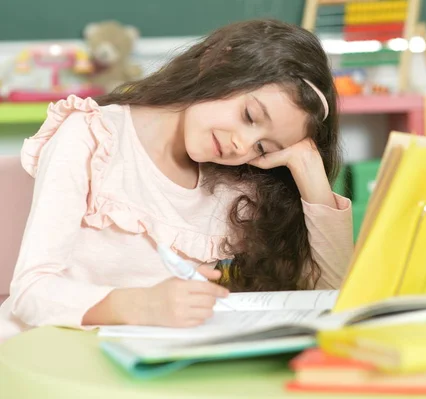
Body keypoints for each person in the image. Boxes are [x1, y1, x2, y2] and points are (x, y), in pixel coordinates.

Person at [0, 19, 353, 341]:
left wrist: (312, 179)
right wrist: (144, 305)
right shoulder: (93, 136)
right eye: (249, 115)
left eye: (263, 146)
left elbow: (333, 300)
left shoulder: (237, 186)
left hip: (142, 359)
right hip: (44, 349)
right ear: (221, 64)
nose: (241, 146)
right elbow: (32, 292)